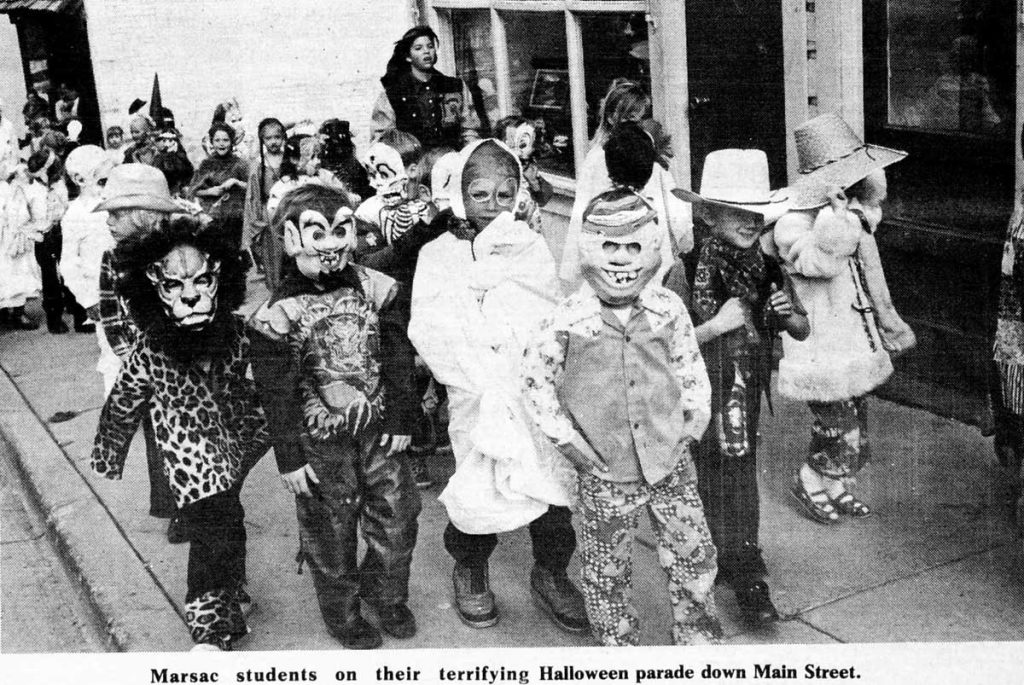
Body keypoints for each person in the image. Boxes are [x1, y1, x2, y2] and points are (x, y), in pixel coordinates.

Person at [521, 188, 722, 646]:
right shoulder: (568, 319)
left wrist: (693, 424)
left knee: (693, 555)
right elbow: (536, 384)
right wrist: (570, 444)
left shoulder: (667, 309)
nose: (621, 258)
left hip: (670, 463)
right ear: (588, 248)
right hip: (605, 474)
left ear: (652, 249)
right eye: (609, 245)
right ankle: (618, 644)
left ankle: (698, 636)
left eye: (634, 246)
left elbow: (690, 367)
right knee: (605, 569)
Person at [408, 139, 587, 634]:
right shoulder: (437, 254)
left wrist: (530, 369)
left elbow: (546, 312)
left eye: (504, 195)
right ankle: (470, 567)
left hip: (530, 389)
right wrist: (478, 376)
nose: (493, 206)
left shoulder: (530, 246)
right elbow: (429, 327)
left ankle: (551, 572)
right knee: (478, 483)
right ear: (460, 196)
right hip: (477, 391)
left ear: (519, 194)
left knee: (550, 484)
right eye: (480, 194)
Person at [248, 184, 420, 649]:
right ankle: (342, 613)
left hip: (380, 432)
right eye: (317, 233)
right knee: (331, 530)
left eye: (341, 230)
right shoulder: (277, 314)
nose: (331, 244)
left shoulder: (376, 288)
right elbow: (275, 392)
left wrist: (402, 417)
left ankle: (386, 594)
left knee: (398, 516)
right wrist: (289, 457)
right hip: (319, 443)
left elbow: (399, 353)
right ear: (290, 239)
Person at [92, 216, 268, 651]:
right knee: (211, 527)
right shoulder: (151, 346)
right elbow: (125, 398)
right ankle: (208, 622)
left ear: (220, 280)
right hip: (187, 450)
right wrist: (108, 453)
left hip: (236, 443)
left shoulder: (235, 333)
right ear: (153, 289)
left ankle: (233, 587)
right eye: (173, 285)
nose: (190, 295)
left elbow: (270, 375)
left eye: (202, 281)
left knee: (228, 518)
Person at [677, 149, 809, 628]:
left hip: (744, 388)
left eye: (758, 213)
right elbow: (662, 343)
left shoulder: (767, 267)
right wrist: (716, 325)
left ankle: (744, 565)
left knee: (736, 468)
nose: (752, 222)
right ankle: (720, 555)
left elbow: (802, 329)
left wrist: (784, 314)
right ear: (709, 215)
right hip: (698, 388)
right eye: (738, 212)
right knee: (707, 471)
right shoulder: (687, 268)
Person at [773, 113, 915, 523]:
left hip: (852, 337)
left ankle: (834, 484)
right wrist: (836, 220)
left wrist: (846, 214)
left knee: (853, 416)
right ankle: (809, 478)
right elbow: (819, 263)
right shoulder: (794, 222)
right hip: (819, 341)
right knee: (837, 422)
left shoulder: (853, 216)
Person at [93, 163, 190, 541]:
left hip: (184, 360)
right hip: (142, 364)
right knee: (158, 438)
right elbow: (111, 314)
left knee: (190, 434)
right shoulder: (113, 259)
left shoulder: (178, 254)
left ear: (143, 216)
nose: (109, 222)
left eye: (116, 214)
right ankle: (173, 506)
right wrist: (133, 357)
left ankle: (198, 505)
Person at [559, 79, 693, 296]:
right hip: (610, 242)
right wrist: (573, 264)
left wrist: (682, 231)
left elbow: (669, 192)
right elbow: (581, 210)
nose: (635, 124)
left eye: (640, 118)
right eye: (629, 117)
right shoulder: (597, 159)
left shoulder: (647, 153)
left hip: (649, 238)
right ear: (611, 117)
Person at [371, 25, 481, 151]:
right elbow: (381, 141)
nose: (426, 51)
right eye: (418, 48)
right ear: (408, 56)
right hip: (412, 161)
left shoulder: (454, 86)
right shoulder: (393, 94)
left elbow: (470, 130)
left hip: (452, 158)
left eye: (430, 46)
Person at [60, 145, 116, 339]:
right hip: (99, 291)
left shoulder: (115, 204)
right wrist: (88, 300)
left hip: (128, 286)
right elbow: (68, 264)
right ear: (80, 180)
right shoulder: (74, 215)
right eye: (102, 182)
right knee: (111, 346)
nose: (108, 188)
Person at [189, 122, 249, 250]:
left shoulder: (240, 164)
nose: (221, 144)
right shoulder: (206, 164)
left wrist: (236, 182)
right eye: (217, 140)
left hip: (236, 217)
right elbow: (194, 191)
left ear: (232, 142)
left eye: (225, 140)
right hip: (212, 216)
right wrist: (210, 191)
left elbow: (253, 188)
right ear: (212, 142)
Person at [0, 162, 42, 330]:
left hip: (13, 236)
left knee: (18, 273)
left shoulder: (13, 188)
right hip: (5, 236)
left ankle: (18, 312)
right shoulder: (6, 189)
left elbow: (21, 212)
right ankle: (4, 312)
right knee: (5, 273)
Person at [493, 115, 553, 234]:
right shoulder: (495, 170)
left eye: (523, 144)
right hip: (505, 230)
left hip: (531, 229)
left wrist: (534, 182)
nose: (517, 151)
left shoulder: (529, 169)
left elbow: (544, 199)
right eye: (510, 145)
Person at [243, 118, 286, 277]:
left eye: (277, 137)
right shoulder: (258, 164)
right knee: (274, 260)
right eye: (268, 138)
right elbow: (253, 196)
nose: (273, 141)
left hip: (290, 211)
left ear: (283, 138)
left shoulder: (289, 159)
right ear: (262, 140)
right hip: (269, 216)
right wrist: (256, 221)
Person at [152, 124, 194, 198]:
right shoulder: (159, 158)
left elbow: (188, 173)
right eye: (164, 141)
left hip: (180, 191)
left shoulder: (181, 157)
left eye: (170, 141)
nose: (167, 144)